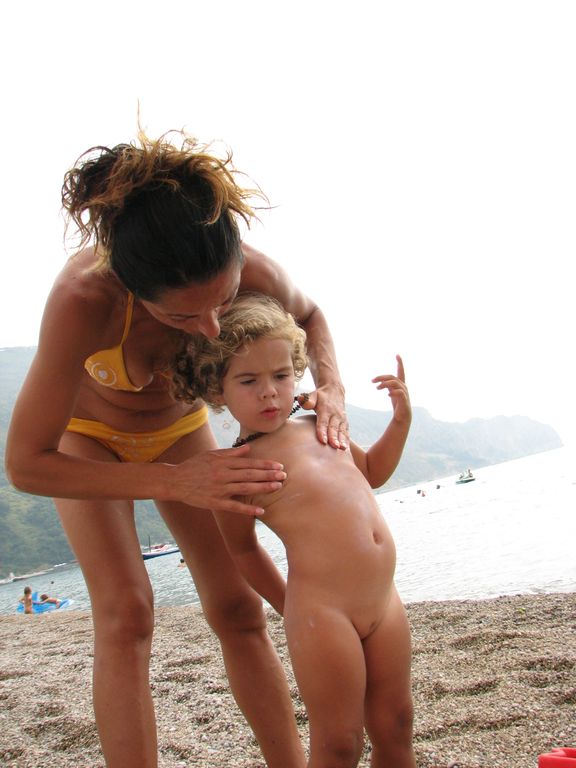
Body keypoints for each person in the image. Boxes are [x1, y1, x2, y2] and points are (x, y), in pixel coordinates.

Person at [5, 128, 348, 768]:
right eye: (183, 318)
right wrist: (173, 481)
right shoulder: (84, 299)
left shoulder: (254, 268)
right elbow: (26, 464)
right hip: (87, 440)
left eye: (224, 302)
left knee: (237, 607)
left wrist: (331, 386)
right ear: (133, 289)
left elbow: (312, 317)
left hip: (180, 429)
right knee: (127, 612)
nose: (211, 327)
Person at [172, 292, 415, 768]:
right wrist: (289, 606)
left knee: (397, 722)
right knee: (339, 741)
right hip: (323, 613)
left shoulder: (318, 424)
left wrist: (401, 421)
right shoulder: (236, 469)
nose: (269, 392)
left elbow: (372, 472)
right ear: (218, 390)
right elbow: (243, 552)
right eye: (249, 380)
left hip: (384, 598)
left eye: (281, 376)